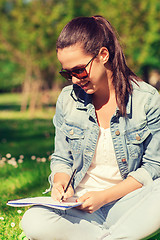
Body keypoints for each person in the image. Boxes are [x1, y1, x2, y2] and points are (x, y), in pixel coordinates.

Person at [21, 15, 160, 240]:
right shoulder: (68, 100)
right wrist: (60, 182)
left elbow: (154, 167)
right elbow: (62, 159)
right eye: (67, 73)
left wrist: (104, 197)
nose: (75, 80)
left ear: (103, 55)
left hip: (130, 206)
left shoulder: (147, 100)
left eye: (79, 70)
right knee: (33, 220)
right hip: (81, 209)